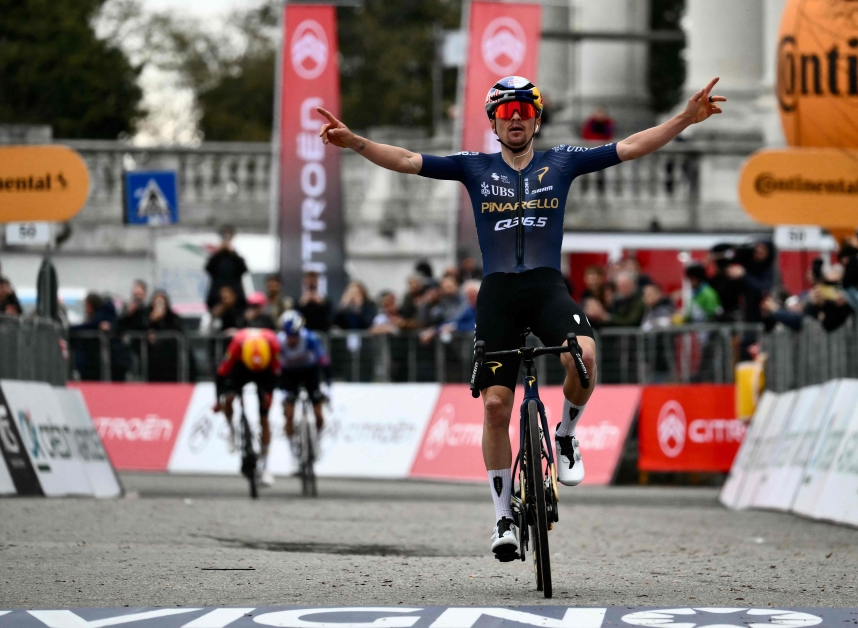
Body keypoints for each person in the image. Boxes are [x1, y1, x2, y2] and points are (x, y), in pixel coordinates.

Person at [316, 73, 725, 558]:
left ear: (536, 118)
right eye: (506, 112)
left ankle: (567, 435)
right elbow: (407, 160)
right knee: (493, 408)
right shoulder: (473, 166)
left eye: (524, 111)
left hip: (547, 287)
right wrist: (355, 142)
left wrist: (684, 118)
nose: (516, 119)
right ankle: (503, 519)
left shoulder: (563, 161)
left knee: (585, 357)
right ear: (493, 120)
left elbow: (632, 146)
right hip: (498, 296)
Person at [215, 326, 282, 487]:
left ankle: (265, 467)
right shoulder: (236, 346)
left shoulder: (274, 345)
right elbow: (221, 374)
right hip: (241, 369)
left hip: (265, 372)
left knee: (265, 418)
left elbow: (278, 374)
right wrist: (218, 400)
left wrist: (268, 397)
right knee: (229, 398)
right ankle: (231, 428)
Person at [278, 311, 331, 472]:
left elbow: (324, 362)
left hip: (310, 373)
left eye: (294, 335)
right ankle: (293, 455)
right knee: (288, 414)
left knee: (318, 412)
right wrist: (281, 393)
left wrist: (328, 388)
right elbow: (274, 368)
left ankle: (317, 443)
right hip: (289, 376)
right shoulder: (279, 341)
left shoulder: (310, 338)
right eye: (289, 336)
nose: (292, 339)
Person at [144, 290, 184, 382]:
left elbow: (179, 331)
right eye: (156, 301)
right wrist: (151, 321)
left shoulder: (173, 317)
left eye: (161, 301)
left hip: (170, 361)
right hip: (151, 361)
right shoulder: (146, 315)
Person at [205, 225, 248, 310]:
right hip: (216, 295)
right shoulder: (217, 257)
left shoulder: (235, 256)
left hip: (236, 296)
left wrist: (232, 252)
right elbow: (208, 268)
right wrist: (217, 252)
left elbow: (243, 269)